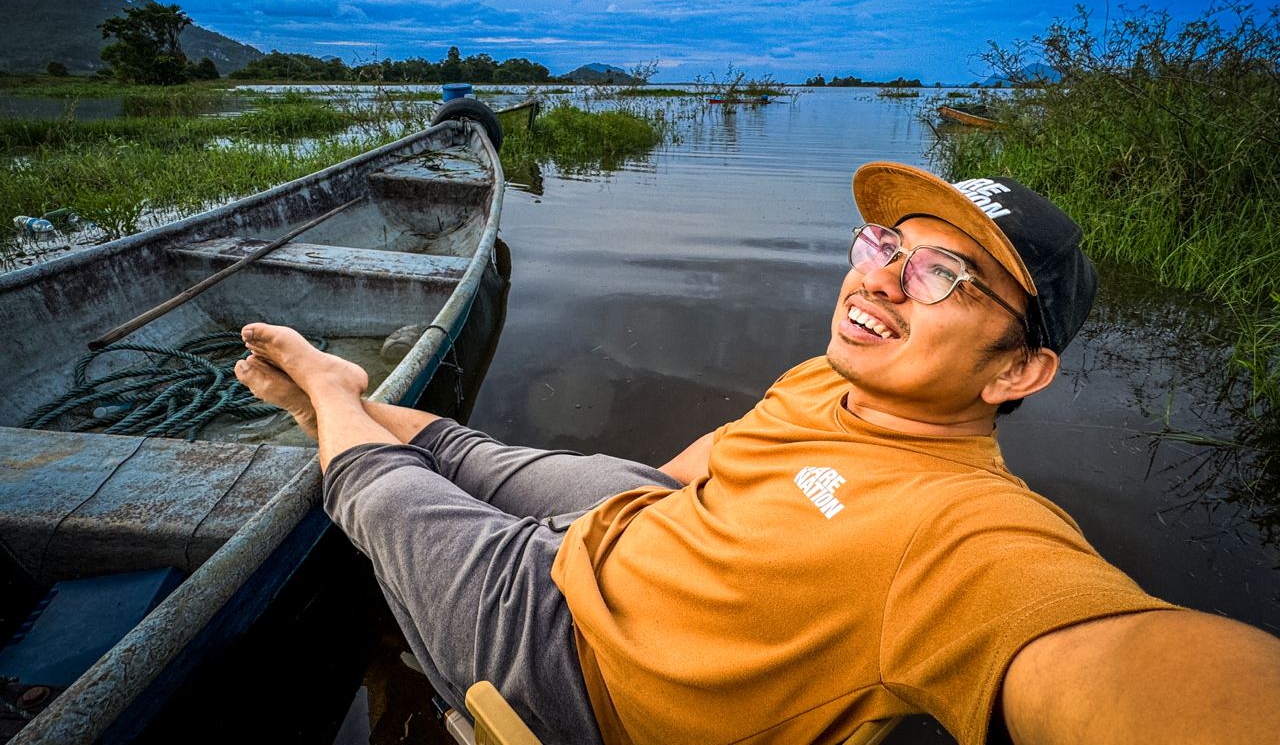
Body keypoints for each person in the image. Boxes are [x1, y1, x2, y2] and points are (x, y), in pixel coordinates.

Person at [236, 161, 1280, 745]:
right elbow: (720, 458)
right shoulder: (829, 378)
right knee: (464, 447)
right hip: (638, 520)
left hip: (571, 665)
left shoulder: (962, 535)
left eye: (937, 275)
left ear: (1014, 374)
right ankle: (362, 414)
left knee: (380, 493)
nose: (873, 281)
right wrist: (642, 499)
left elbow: (1123, 666)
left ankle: (335, 399)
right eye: (882, 248)